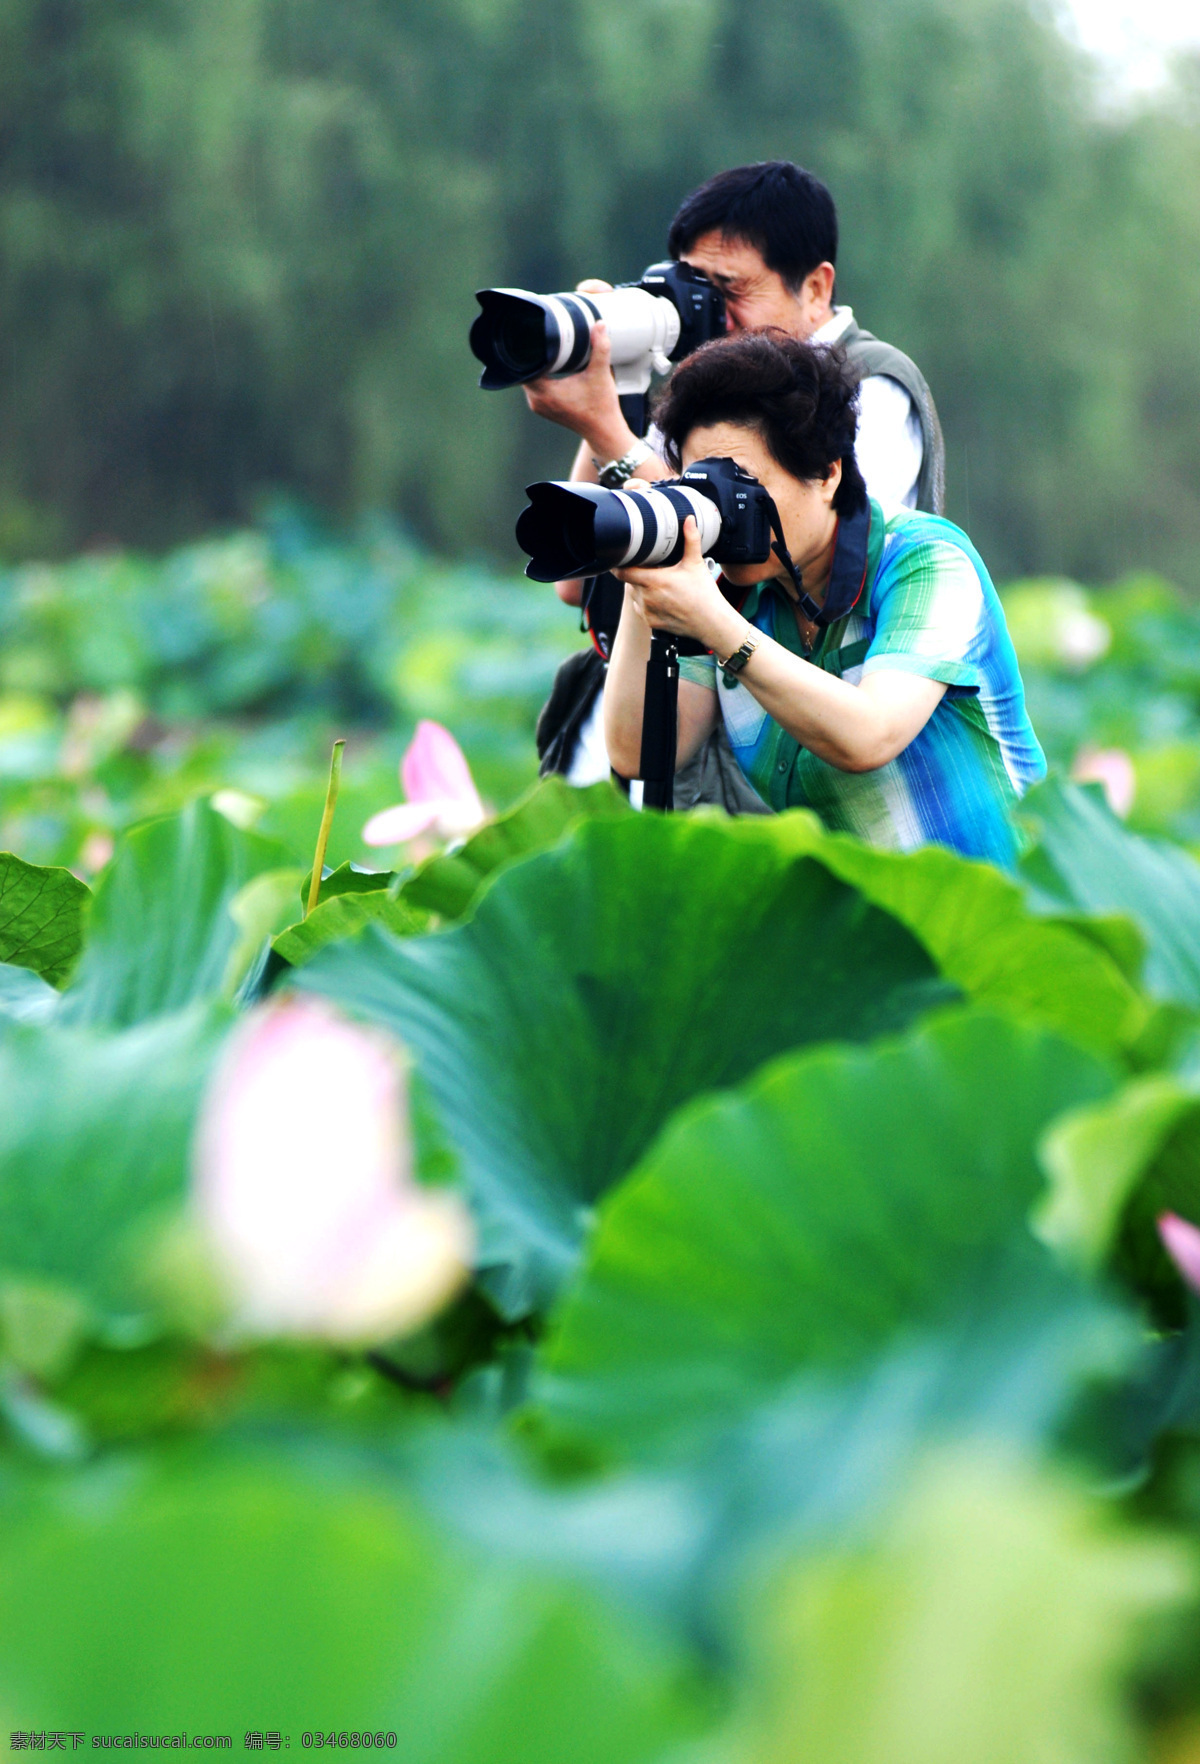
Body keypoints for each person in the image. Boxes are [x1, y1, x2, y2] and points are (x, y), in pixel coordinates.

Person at [529, 162, 945, 800]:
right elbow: (574, 583)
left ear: (814, 287)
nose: (705, 316)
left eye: (728, 290)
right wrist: (609, 395)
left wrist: (616, 437)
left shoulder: (875, 387)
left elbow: (775, 544)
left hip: (772, 760)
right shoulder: (709, 396)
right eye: (688, 289)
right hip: (657, 726)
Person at [603, 331, 1044, 868]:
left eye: (743, 485)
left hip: (1001, 924)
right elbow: (641, 752)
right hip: (864, 940)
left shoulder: (926, 558)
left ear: (828, 472)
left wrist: (717, 626)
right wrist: (646, 569)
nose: (727, 510)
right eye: (705, 487)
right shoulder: (728, 591)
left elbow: (869, 734)